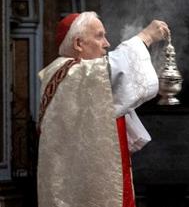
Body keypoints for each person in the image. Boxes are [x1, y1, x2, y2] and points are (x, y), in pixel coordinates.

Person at [37, 11, 170, 207]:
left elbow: (118, 97)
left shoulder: (80, 75)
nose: (107, 44)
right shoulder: (68, 72)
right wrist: (146, 37)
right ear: (78, 44)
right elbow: (113, 70)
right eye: (99, 36)